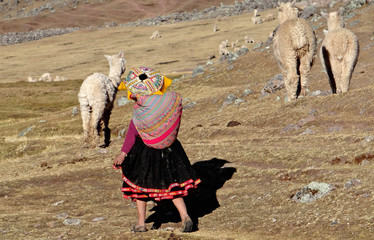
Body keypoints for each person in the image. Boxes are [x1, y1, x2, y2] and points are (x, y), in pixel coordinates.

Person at [113, 67, 200, 233]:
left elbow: (133, 133)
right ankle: (185, 216)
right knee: (172, 184)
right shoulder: (166, 102)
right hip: (170, 150)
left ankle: (140, 224)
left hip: (144, 151)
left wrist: (123, 153)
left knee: (139, 187)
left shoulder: (140, 110)